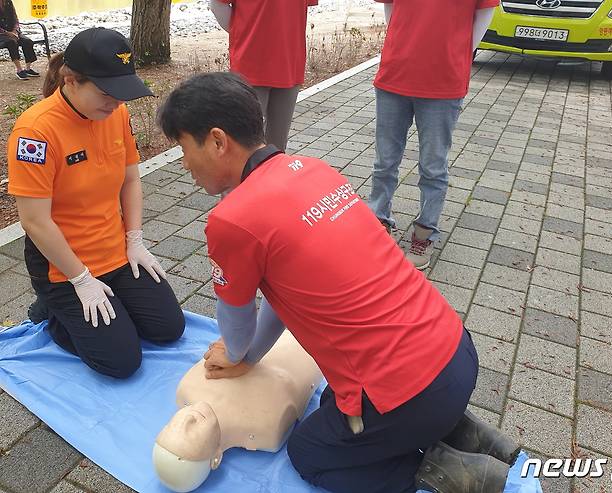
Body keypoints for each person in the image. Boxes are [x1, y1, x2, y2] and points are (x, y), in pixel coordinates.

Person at [157, 72, 519, 493]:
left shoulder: (232, 219)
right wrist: (250, 356)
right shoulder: (314, 170)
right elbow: (282, 295)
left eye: (184, 149)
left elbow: (234, 322)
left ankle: (454, 468)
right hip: (456, 351)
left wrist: (237, 354)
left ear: (218, 141)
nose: (184, 165)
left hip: (410, 394)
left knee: (310, 453)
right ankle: (463, 431)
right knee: (334, 404)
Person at [7, 27, 185, 379]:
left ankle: (107, 303)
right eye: (107, 93)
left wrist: (134, 239)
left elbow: (131, 179)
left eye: (122, 94)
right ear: (71, 80)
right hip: (64, 265)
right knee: (121, 361)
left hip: (114, 249)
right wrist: (81, 279)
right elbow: (34, 221)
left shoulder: (114, 114)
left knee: (168, 329)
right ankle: (54, 314)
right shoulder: (35, 133)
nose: (117, 103)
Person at [369, 0, 497, 270]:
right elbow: (391, 10)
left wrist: (457, 51)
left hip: (443, 81)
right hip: (396, 73)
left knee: (433, 165)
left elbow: (485, 13)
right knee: (385, 161)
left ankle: (425, 232)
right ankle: (379, 220)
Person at [152, 330, 323, 492]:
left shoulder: (185, 388)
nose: (185, 420)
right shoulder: (267, 427)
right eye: (189, 436)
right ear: (216, 458)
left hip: (275, 322)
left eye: (170, 427)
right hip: (313, 339)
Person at [208, 0, 317, 151]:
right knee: (245, 142)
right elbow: (217, 5)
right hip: (252, 64)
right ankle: (247, 174)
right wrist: (243, 32)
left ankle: (271, 173)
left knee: (277, 145)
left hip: (289, 61)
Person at [0, 0, 39, 80]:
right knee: (12, 42)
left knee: (27, 41)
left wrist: (15, 30)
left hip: (13, 32)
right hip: (2, 34)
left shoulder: (9, 2)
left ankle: (28, 69)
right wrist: (7, 32)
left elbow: (15, 18)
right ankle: (19, 70)